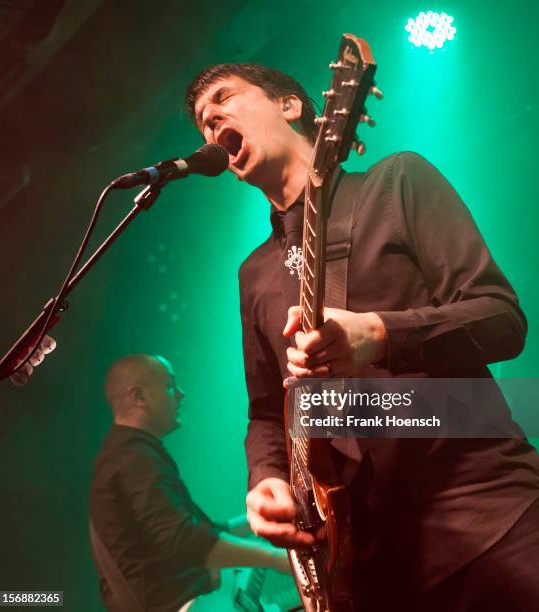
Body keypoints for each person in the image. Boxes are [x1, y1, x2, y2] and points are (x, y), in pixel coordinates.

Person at [184, 63, 539, 610]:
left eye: (225, 99)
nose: (212, 125)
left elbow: (500, 318)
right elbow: (265, 412)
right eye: (203, 126)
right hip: (370, 570)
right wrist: (268, 480)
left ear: (291, 106)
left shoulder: (396, 183)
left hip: (489, 520)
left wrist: (378, 334)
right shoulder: (254, 274)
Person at [89, 353, 288, 612]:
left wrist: (264, 516)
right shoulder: (131, 458)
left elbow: (201, 531)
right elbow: (184, 540)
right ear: (139, 397)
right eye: (169, 385)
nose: (180, 393)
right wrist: (276, 558)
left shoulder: (131, 452)